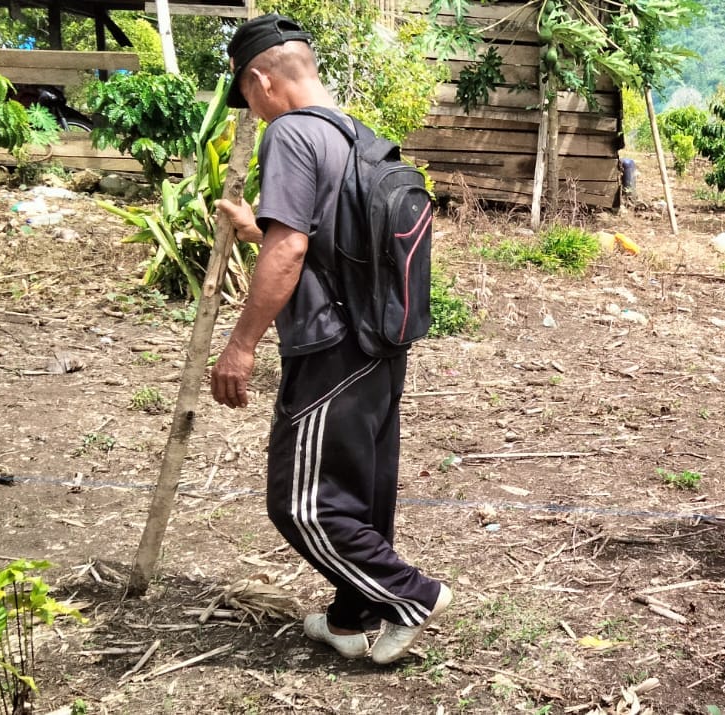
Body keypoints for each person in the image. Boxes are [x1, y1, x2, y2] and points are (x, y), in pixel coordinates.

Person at [209, 13, 451, 664]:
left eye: (247, 96)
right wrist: (254, 227)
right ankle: (350, 618)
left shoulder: (290, 134)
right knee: (360, 494)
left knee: (302, 503)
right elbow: (326, 241)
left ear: (261, 80)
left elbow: (290, 250)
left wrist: (241, 344)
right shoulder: (356, 136)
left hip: (330, 346)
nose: (252, 110)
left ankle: (411, 596)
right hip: (379, 341)